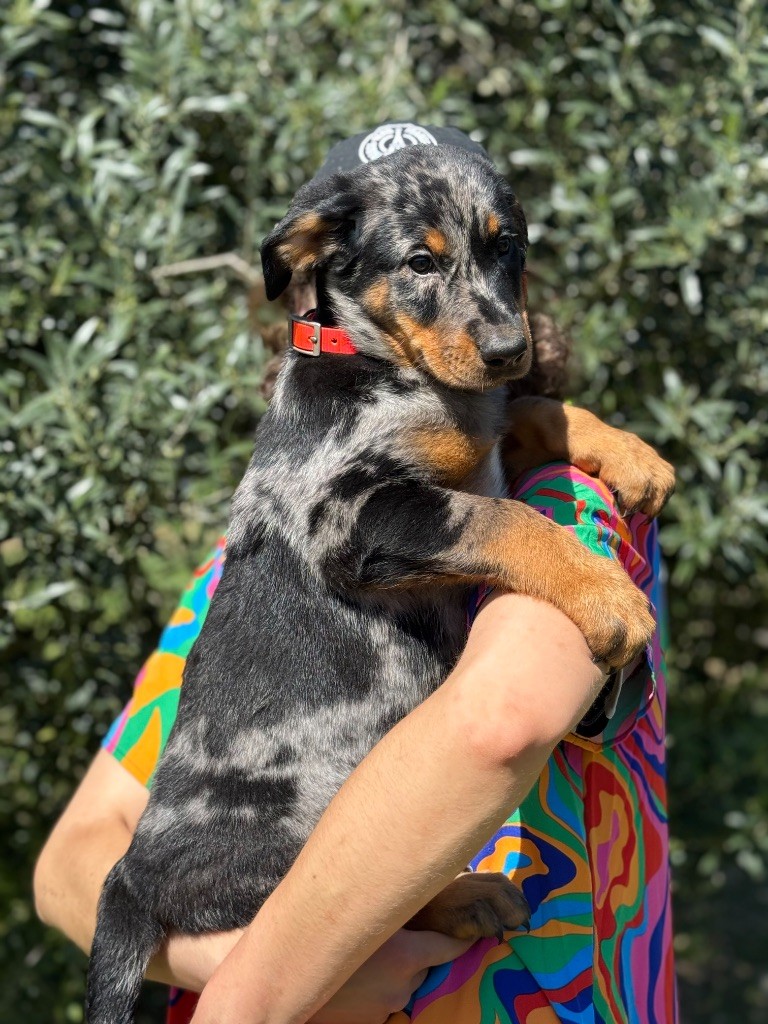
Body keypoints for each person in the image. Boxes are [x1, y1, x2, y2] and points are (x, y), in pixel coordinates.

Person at [34, 125, 677, 1024]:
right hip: (246, 898)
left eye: (500, 252)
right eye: (422, 264)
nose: (494, 320)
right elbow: (76, 865)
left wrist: (553, 430)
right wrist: (251, 981)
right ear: (323, 279)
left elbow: (504, 713)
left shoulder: (571, 498)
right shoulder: (247, 564)